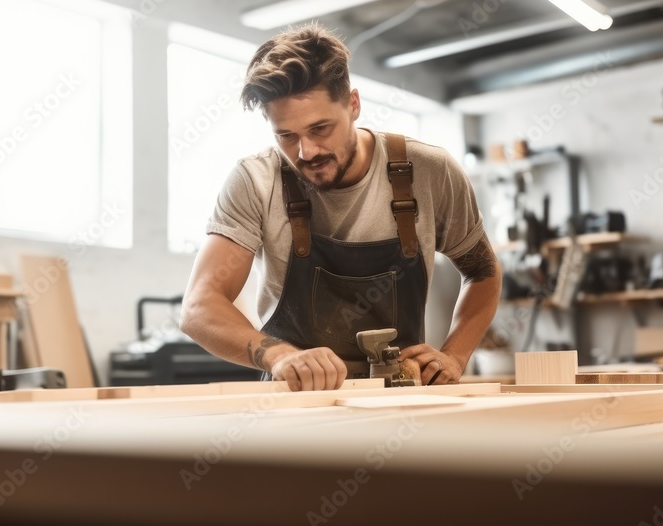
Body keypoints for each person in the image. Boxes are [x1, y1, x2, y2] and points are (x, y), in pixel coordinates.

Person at [180, 23, 501, 391]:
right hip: (297, 407)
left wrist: (455, 355)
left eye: (320, 128)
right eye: (286, 135)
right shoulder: (256, 181)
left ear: (353, 104)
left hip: (401, 401)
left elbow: (483, 272)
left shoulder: (427, 171)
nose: (306, 152)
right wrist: (278, 355)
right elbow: (198, 307)